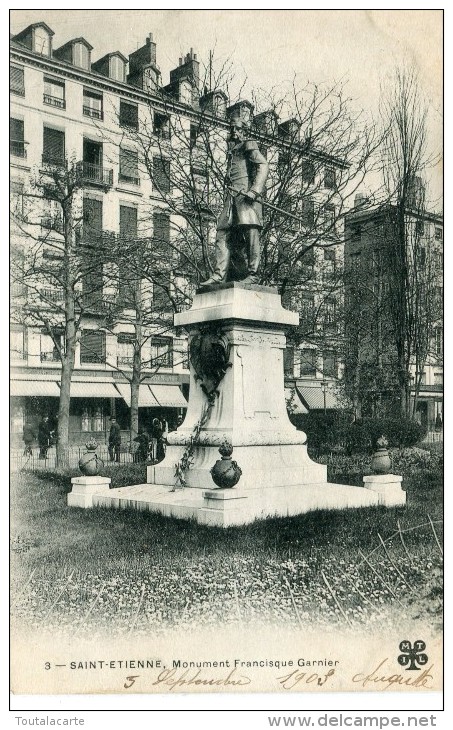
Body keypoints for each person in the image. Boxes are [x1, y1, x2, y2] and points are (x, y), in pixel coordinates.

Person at [199, 115, 269, 288]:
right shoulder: (233, 150)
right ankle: (218, 275)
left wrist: (254, 191)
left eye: (238, 129)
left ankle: (253, 274)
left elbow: (263, 165)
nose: (234, 132)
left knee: (251, 235)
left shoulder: (249, 144)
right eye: (232, 129)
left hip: (247, 199)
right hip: (231, 199)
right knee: (222, 234)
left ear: (244, 131)